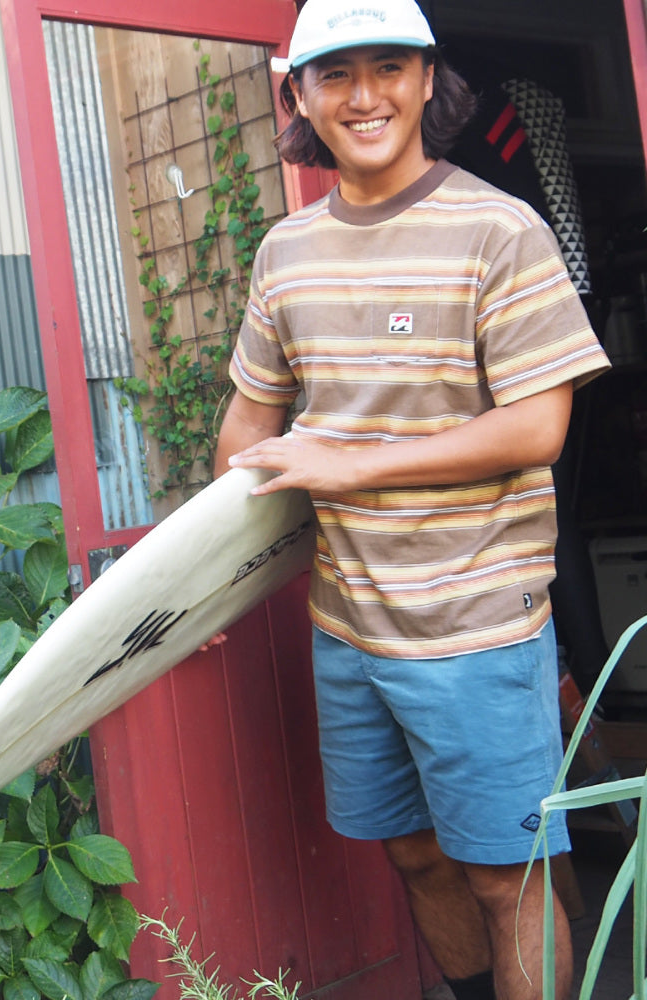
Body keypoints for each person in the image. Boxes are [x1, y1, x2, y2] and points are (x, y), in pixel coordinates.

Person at [212, 1, 611, 998]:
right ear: (297, 94)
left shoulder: (497, 229)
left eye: (388, 66)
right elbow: (247, 426)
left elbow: (536, 426)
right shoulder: (285, 252)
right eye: (335, 74)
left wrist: (350, 466)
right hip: (349, 625)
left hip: (475, 628)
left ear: (428, 78)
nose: (365, 95)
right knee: (416, 856)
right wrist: (204, 584)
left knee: (504, 874)